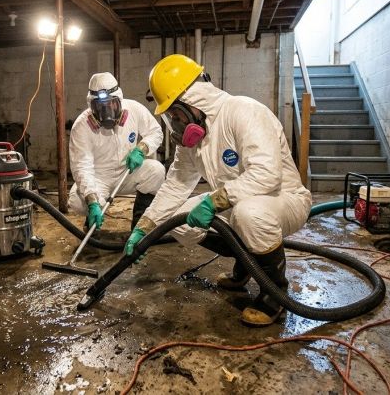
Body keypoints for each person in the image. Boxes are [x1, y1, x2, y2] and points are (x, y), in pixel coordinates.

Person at [125, 55, 312, 327]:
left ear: (192, 100)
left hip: (283, 199)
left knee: (249, 215)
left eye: (175, 114)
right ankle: (247, 264)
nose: (174, 122)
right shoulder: (194, 137)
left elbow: (267, 175)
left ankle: (275, 293)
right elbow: (176, 184)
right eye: (170, 117)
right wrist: (146, 227)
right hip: (236, 202)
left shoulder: (243, 111)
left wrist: (215, 201)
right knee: (178, 220)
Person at [69, 72, 165, 231]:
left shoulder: (134, 109)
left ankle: (140, 224)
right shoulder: (81, 126)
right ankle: (93, 218)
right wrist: (92, 201)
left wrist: (142, 148)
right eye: (100, 106)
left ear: (119, 100)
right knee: (77, 201)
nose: (106, 110)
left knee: (156, 171)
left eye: (111, 103)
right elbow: (82, 167)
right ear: (92, 105)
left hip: (128, 171)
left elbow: (155, 132)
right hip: (99, 178)